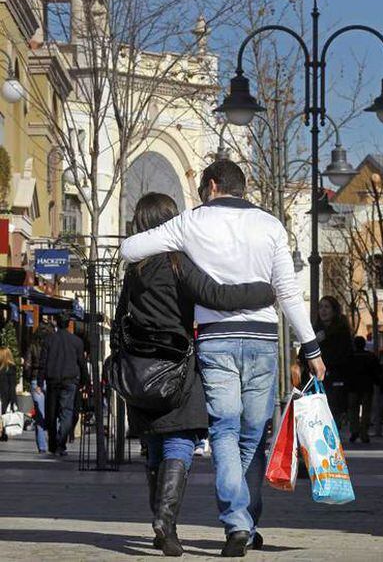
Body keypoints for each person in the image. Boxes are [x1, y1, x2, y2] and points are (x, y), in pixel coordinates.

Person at [121, 161, 325, 558]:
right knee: (251, 435)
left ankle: (238, 522)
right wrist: (311, 347)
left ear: (212, 186)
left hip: (216, 342)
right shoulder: (270, 225)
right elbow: (287, 291)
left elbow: (130, 248)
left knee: (226, 434)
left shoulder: (191, 222)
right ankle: (242, 522)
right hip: (264, 341)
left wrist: (169, 243)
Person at [113, 192, 275, 558]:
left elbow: (120, 320)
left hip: (140, 372)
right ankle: (164, 521)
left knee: (154, 445)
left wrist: (118, 361)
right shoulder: (177, 264)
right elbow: (215, 295)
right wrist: (264, 291)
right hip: (176, 371)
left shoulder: (133, 271)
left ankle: (164, 525)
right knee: (180, 442)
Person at [36, 313, 88, 456]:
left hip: (53, 380)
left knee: (51, 413)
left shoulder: (49, 340)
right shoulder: (77, 341)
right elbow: (82, 363)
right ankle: (60, 443)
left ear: (56, 323)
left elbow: (43, 363)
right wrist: (85, 381)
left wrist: (40, 382)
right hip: (70, 380)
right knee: (67, 413)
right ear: (69, 323)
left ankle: (54, 444)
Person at [312, 296, 353, 427]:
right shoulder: (314, 331)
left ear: (334, 310)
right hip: (316, 381)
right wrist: (315, 342)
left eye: (327, 307)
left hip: (335, 380)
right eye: (321, 307)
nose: (323, 310)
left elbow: (345, 356)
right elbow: (303, 355)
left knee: (332, 416)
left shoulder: (342, 331)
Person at [24, 323, 53, 453]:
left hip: (36, 381)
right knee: (54, 413)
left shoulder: (32, 346)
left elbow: (27, 366)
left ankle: (42, 447)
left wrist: (29, 380)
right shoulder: (52, 346)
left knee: (39, 416)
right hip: (51, 380)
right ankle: (55, 442)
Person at [348, 336, 381, 443]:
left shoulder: (350, 357)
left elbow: (345, 371)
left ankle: (354, 430)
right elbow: (377, 371)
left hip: (353, 387)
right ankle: (364, 433)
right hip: (367, 387)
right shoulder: (370, 356)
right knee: (366, 411)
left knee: (353, 411)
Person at [0, 347, 17, 442]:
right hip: (6, 395)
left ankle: (2, 432)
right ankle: (3, 432)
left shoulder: (8, 367)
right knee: (4, 415)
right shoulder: (11, 368)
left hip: (3, 395)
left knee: (2, 414)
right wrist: (13, 400)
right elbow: (12, 385)